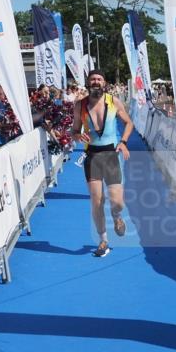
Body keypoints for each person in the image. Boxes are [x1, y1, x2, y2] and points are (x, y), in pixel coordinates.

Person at [72, 70, 134, 258]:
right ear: (88, 83)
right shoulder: (80, 105)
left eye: (99, 79)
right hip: (92, 156)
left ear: (104, 83)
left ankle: (117, 216)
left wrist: (123, 142)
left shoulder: (113, 101)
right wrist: (77, 135)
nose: (96, 82)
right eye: (93, 79)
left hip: (111, 156)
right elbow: (74, 130)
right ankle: (103, 240)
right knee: (97, 201)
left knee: (117, 202)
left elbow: (129, 123)